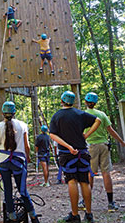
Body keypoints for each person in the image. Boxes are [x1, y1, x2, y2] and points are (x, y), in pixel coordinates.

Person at [49, 91, 101, 223]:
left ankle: (75, 215)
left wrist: (68, 146)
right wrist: (86, 135)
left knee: (72, 181)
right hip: (82, 152)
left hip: (67, 154)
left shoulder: (57, 116)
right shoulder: (80, 114)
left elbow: (53, 135)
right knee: (84, 181)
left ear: (62, 101)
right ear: (72, 102)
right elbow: (98, 120)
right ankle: (89, 214)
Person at [0, 101, 40, 223]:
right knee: (23, 190)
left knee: (8, 190)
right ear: (14, 113)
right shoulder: (22, 125)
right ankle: (33, 216)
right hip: (18, 161)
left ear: (2, 113)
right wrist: (27, 157)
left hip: (3, 162)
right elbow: (27, 145)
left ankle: (12, 217)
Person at [79, 92, 125, 212]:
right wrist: (121, 141)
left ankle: (85, 202)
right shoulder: (101, 114)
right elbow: (110, 130)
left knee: (90, 174)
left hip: (90, 147)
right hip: (103, 145)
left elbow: (79, 132)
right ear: (96, 102)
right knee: (106, 173)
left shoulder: (82, 115)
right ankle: (110, 204)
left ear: (85, 102)